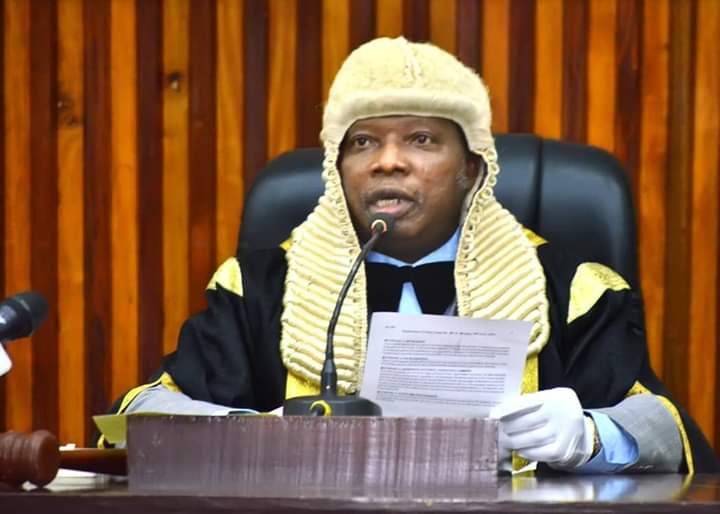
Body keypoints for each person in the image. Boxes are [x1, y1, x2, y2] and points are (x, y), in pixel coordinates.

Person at [101, 37, 718, 474]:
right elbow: (143, 410)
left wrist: (592, 434)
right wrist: (252, 435)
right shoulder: (260, 286)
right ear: (336, 169)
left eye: (421, 139)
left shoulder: (571, 286)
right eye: (363, 142)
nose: (388, 162)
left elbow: (668, 429)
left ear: (472, 168)